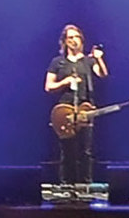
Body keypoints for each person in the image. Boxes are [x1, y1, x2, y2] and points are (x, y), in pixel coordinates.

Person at [46, 24, 109, 185]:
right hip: (65, 109)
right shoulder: (58, 62)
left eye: (77, 37)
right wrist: (65, 81)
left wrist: (99, 58)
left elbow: (102, 74)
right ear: (65, 42)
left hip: (85, 108)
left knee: (85, 151)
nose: (74, 41)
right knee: (67, 150)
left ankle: (84, 185)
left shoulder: (88, 61)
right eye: (70, 38)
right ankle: (66, 185)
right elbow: (48, 86)